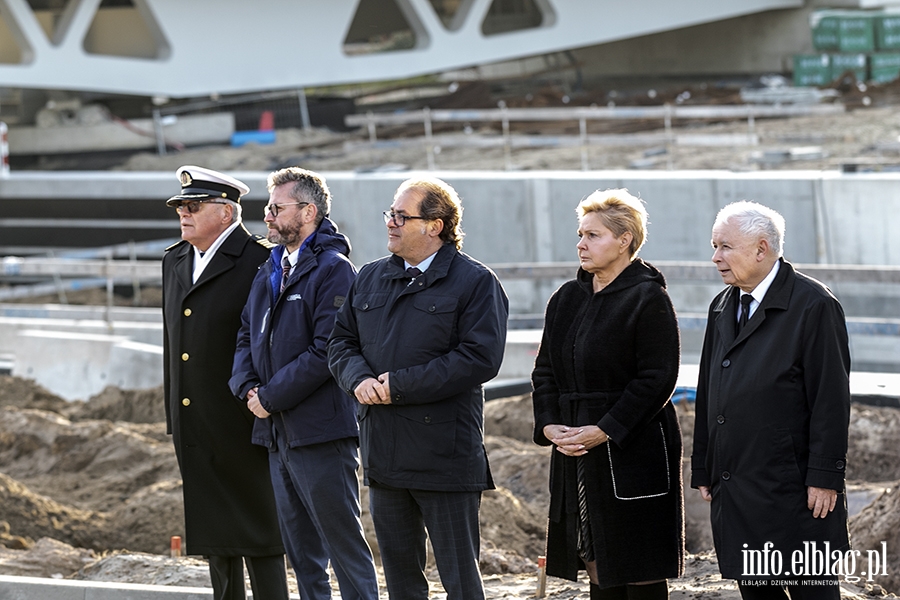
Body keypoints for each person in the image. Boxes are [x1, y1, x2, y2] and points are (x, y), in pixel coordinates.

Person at [327, 176, 509, 600]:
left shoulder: (474, 282)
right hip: (385, 457)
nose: (390, 223)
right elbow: (340, 342)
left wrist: (399, 386)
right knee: (402, 584)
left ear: (435, 225)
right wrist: (359, 380)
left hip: (443, 457)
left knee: (461, 581)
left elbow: (480, 358)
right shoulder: (370, 278)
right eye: (390, 214)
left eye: (401, 216)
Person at [229, 167, 379, 600]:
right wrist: (247, 389)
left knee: (343, 546)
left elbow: (326, 350)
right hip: (278, 435)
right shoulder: (270, 268)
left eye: (277, 208)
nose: (268, 217)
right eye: (268, 208)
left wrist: (270, 397)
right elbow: (245, 334)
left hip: (320, 434)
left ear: (309, 211)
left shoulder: (334, 270)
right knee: (303, 556)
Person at [691, 201, 851, 600]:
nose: (715, 258)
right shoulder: (722, 305)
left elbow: (831, 399)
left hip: (794, 488)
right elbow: (709, 388)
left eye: (725, 247)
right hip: (738, 484)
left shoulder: (814, 305)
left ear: (761, 249)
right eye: (714, 246)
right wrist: (704, 464)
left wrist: (825, 476)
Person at [531, 189, 684, 600]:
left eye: (593, 235)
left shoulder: (648, 297)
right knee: (594, 557)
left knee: (638, 565)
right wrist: (549, 425)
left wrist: (606, 429)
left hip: (632, 447)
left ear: (625, 240)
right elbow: (545, 370)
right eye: (580, 234)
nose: (581, 244)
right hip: (574, 448)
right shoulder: (565, 299)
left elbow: (657, 378)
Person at [161, 165, 288, 600]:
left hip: (243, 419)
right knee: (216, 537)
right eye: (180, 206)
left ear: (226, 212)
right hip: (195, 421)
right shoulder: (174, 260)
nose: (184, 214)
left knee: (262, 532)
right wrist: (173, 416)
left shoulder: (259, 260)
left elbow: (272, 341)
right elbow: (172, 343)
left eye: (194, 206)